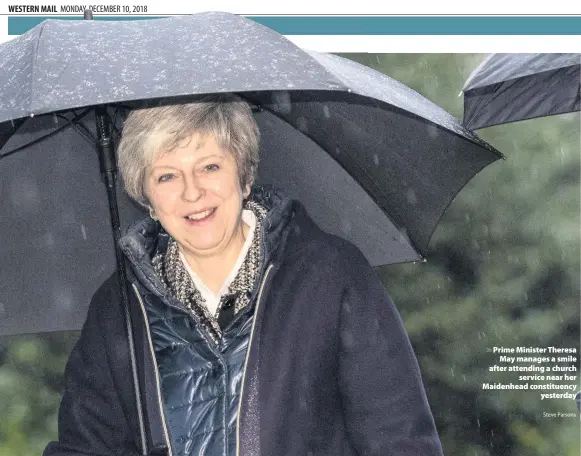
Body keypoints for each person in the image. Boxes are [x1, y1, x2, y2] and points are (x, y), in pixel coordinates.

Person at [44, 94, 444, 456]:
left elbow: (401, 440)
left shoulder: (331, 275)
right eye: (166, 176)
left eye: (210, 166)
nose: (192, 192)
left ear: (245, 176)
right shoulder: (117, 310)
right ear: (146, 198)